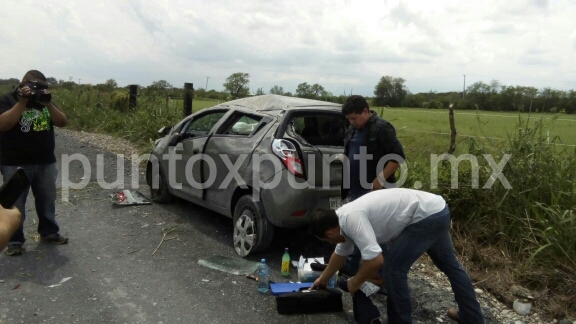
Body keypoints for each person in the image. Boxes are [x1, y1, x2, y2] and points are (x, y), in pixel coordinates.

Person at [308, 188, 485, 324]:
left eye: (327, 241)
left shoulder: (351, 219)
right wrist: (323, 279)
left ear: (329, 233)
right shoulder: (341, 220)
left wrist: (355, 282)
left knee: (393, 268)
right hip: (437, 209)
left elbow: (375, 261)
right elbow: (340, 254)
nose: (332, 243)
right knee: (451, 267)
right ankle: (471, 317)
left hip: (425, 217)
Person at [0, 70, 69, 256]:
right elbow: (3, 125)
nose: (36, 90)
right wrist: (22, 102)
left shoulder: (43, 102)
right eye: (33, 86)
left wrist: (48, 104)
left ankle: (49, 233)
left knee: (47, 201)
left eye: (41, 86)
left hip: (45, 161)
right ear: (23, 84)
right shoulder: (7, 100)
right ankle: (14, 241)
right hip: (14, 162)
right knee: (15, 205)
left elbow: (62, 121)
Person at [340, 95, 405, 281]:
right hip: (355, 189)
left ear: (366, 111)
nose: (351, 123)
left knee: (377, 234)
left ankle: (383, 276)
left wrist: (380, 179)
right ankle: (351, 266)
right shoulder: (352, 130)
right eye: (349, 120)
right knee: (355, 229)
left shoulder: (382, 128)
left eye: (354, 118)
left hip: (374, 192)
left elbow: (397, 157)